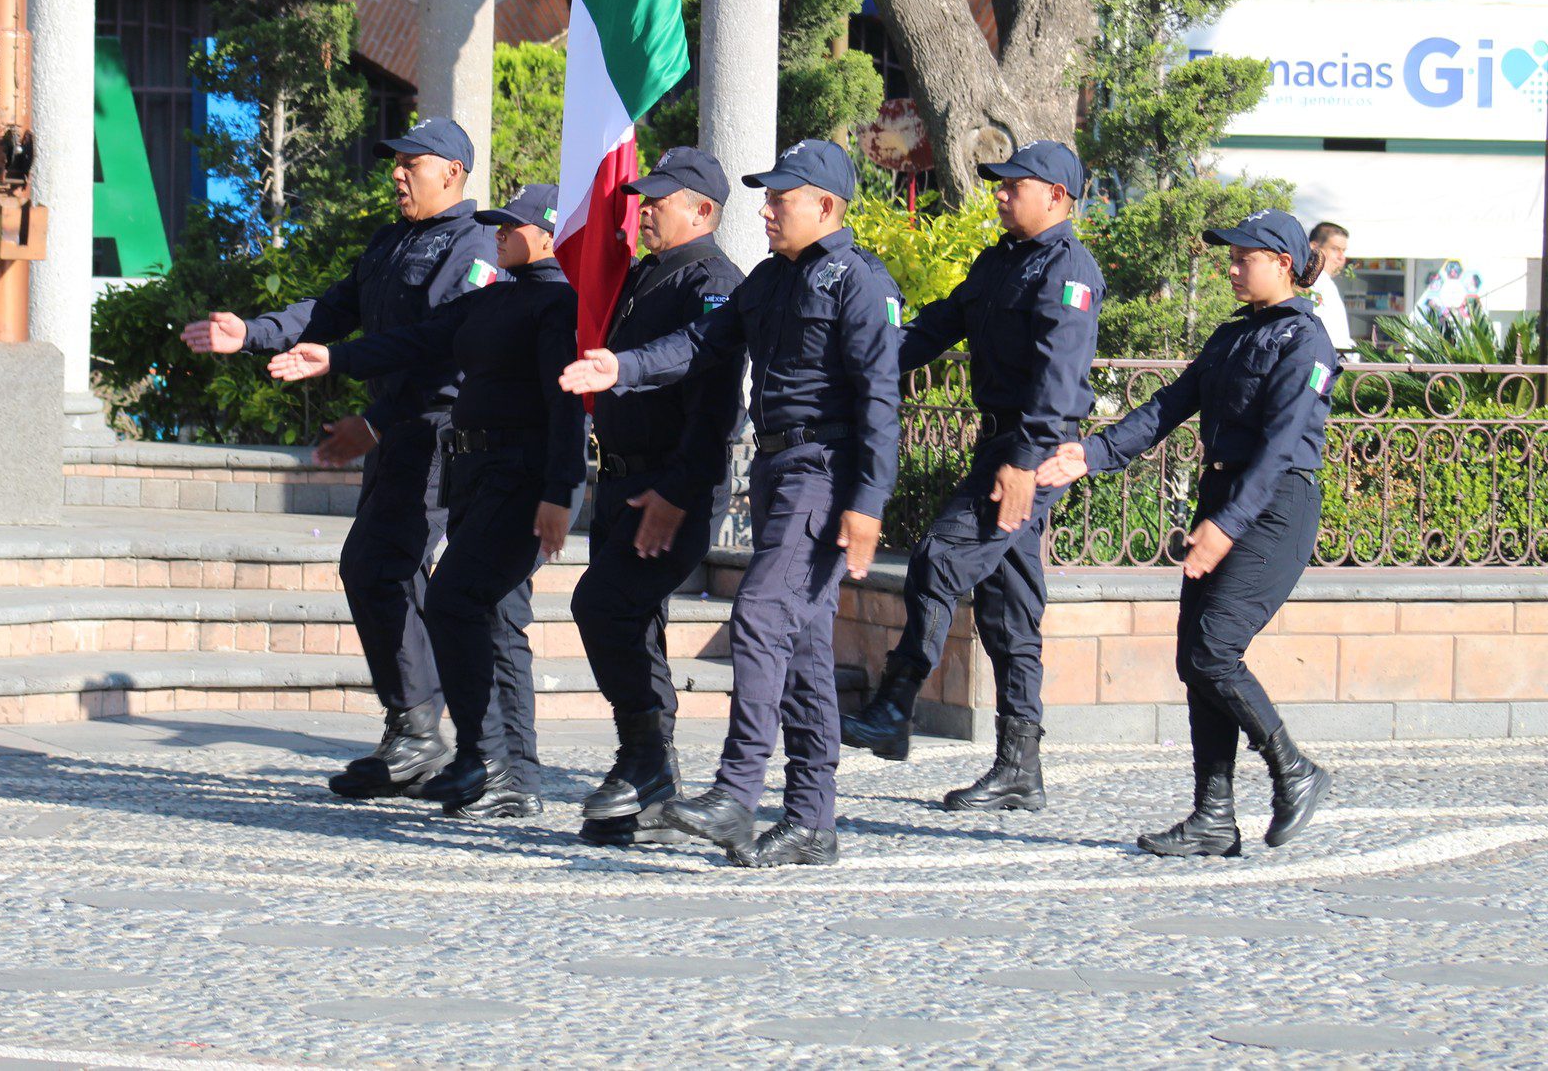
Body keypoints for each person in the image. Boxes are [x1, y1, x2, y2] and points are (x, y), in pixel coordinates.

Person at [561, 140, 901, 868]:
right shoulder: (770, 281)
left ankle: (736, 794)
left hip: (825, 470)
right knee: (805, 651)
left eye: (782, 197)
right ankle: (812, 822)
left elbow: (880, 399)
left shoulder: (860, 282)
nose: (768, 208)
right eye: (767, 195)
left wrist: (868, 503)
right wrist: (621, 365)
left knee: (758, 616)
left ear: (827, 207)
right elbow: (700, 344)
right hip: (779, 468)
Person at [180, 118, 502, 800]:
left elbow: (440, 345)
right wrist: (250, 333)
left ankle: (422, 729)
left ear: (451, 172)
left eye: (411, 162)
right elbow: (331, 309)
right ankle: (413, 724)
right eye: (396, 160)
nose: (396, 172)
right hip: (392, 433)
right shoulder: (390, 241)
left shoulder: (473, 247)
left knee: (381, 566)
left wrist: (377, 419)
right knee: (380, 568)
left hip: (435, 429)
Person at [269, 185, 586, 819]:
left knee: (462, 601)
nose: (498, 232)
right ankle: (499, 767)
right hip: (473, 470)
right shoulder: (495, 296)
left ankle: (496, 762)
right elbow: (417, 342)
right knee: (489, 614)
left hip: (518, 475)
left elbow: (565, 405)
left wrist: (561, 493)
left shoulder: (558, 303)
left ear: (549, 235)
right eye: (496, 223)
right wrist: (332, 356)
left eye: (513, 226)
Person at [1036, 208, 1337, 856]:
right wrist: (1091, 453)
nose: (1231, 268)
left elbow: (1282, 447)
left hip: (1275, 507)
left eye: (1243, 257)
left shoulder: (1304, 343)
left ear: (1283, 262)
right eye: (1229, 257)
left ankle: (1294, 769)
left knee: (1214, 649)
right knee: (1194, 658)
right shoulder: (1233, 336)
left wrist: (1225, 527)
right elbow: (1170, 405)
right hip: (1225, 494)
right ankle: (1213, 816)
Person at [840, 140, 1103, 813]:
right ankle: (1021, 766)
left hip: (1028, 452)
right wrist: (868, 363)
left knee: (938, 556)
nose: (1002, 192)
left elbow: (1059, 378)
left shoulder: (1069, 270)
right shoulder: (998, 263)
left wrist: (1022, 465)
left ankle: (896, 703)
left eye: (1018, 184)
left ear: (1058, 196)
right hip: (1002, 446)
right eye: (1002, 183)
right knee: (1010, 611)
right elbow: (935, 328)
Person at [571, 147, 746, 848]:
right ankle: (647, 771)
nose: (644, 210)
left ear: (701, 211)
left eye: (660, 201)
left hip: (670, 487)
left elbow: (715, 410)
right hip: (620, 479)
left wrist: (677, 490)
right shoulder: (651, 272)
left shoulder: (714, 282)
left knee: (602, 603)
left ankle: (646, 760)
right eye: (645, 198)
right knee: (631, 618)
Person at [1306, 221, 1354, 354]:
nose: (1341, 257)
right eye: (1335, 249)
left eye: (1343, 251)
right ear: (1314, 247)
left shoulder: (1325, 283)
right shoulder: (1311, 283)